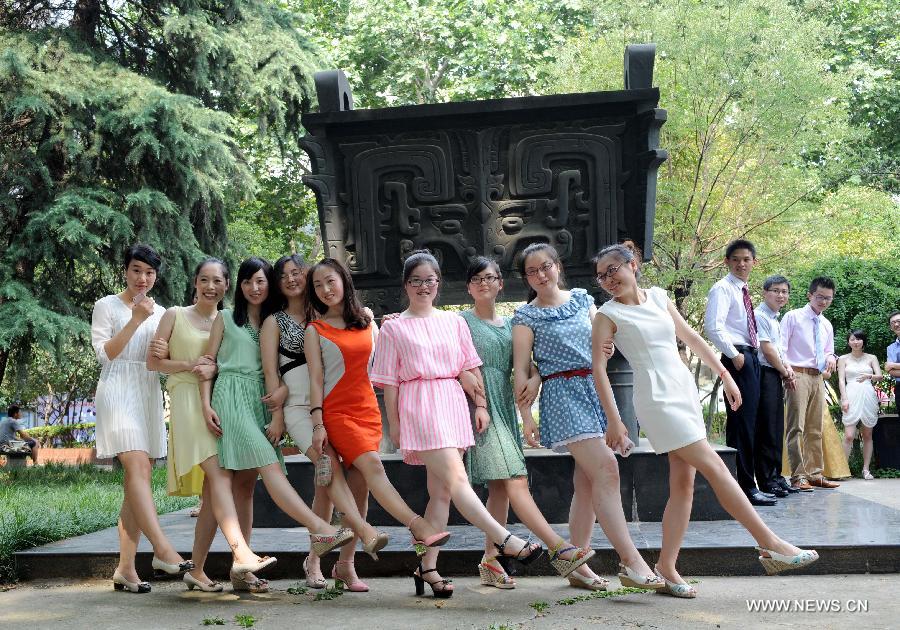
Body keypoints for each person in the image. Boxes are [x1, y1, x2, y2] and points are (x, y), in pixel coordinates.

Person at [592, 244, 818, 595]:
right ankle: (770, 542)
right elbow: (599, 370)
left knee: (683, 485)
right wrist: (614, 420)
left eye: (613, 269)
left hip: (682, 390)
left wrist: (725, 376)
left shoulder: (658, 297)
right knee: (715, 465)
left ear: (632, 265)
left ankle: (666, 568)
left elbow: (692, 338)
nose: (608, 279)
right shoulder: (607, 315)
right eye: (602, 275)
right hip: (656, 398)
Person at [371, 251, 543, 599]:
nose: (423, 286)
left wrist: (480, 405)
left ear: (439, 284)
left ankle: (427, 567)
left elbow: (470, 364)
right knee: (457, 478)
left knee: (442, 493)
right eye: (416, 280)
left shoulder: (454, 323)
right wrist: (396, 425)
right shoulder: (394, 327)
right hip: (419, 404)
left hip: (452, 403)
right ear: (406, 285)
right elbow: (388, 382)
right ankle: (505, 540)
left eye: (429, 279)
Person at [511, 243, 663, 591]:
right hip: (563, 396)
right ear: (526, 278)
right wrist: (526, 416)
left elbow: (604, 339)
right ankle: (631, 560)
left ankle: (575, 564)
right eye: (532, 271)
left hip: (595, 388)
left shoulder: (582, 299)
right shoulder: (526, 317)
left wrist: (606, 347)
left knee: (588, 482)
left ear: (558, 266)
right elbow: (521, 370)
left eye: (545, 266)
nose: (541, 275)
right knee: (607, 467)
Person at [199, 257, 354, 592]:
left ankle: (240, 571)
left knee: (246, 489)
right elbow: (208, 364)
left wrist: (280, 395)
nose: (255, 288)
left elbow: (278, 369)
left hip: (261, 401)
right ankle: (320, 528)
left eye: (261, 281)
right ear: (238, 286)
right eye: (247, 282)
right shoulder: (226, 318)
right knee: (270, 466)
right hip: (231, 398)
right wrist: (204, 404)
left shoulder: (271, 321)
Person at [457, 257, 598, 591]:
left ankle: (491, 560)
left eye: (490, 278)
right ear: (468, 287)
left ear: (501, 283)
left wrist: (534, 380)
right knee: (516, 481)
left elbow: (529, 364)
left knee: (499, 488)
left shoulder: (511, 324)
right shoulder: (459, 322)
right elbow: (442, 349)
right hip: (479, 408)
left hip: (506, 405)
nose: (483, 284)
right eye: (476, 279)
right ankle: (560, 549)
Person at [148, 258, 276, 592]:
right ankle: (242, 553)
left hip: (219, 404)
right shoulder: (175, 315)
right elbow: (154, 362)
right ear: (195, 282)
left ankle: (199, 569)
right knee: (219, 476)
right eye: (204, 280)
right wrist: (193, 365)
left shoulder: (228, 320)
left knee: (212, 491)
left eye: (217, 281)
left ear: (226, 286)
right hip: (189, 404)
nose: (210, 287)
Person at [261, 254, 388, 593]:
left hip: (337, 407)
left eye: (298, 272)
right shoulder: (275, 320)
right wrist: (278, 413)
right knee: (327, 468)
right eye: (284, 275)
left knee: (342, 485)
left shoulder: (329, 312)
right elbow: (273, 372)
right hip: (301, 410)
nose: (292, 279)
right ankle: (352, 538)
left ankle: (343, 565)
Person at [91, 244, 193, 594]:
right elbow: (105, 355)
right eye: (136, 270)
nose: (142, 279)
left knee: (139, 481)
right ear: (125, 271)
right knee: (138, 470)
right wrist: (135, 319)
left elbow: (160, 359)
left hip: (148, 393)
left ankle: (125, 569)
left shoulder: (162, 311)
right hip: (117, 389)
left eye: (149, 273)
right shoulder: (106, 305)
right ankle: (163, 549)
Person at [703, 240, 771, 506]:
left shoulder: (742, 290)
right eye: (736, 259)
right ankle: (744, 488)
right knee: (742, 424)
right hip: (739, 358)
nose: (741, 264)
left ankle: (747, 484)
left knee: (750, 423)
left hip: (750, 357)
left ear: (754, 261)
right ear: (727, 262)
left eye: (746, 259)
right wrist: (736, 355)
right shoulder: (722, 289)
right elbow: (713, 327)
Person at [781, 277, 840, 491]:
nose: (824, 302)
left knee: (815, 428)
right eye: (820, 297)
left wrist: (832, 356)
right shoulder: (792, 317)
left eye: (828, 298)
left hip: (818, 377)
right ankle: (798, 476)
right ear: (810, 295)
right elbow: (782, 348)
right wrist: (786, 373)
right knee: (796, 427)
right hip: (796, 374)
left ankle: (815, 474)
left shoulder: (826, 324)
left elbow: (828, 350)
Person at [753, 276, 797, 498]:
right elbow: (768, 351)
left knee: (776, 428)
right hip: (764, 374)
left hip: (775, 373)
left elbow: (779, 350)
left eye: (785, 292)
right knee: (767, 428)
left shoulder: (775, 319)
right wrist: (783, 371)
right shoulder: (760, 316)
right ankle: (767, 480)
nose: (781, 295)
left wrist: (787, 370)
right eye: (776, 291)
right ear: (765, 292)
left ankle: (777, 476)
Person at [838, 330, 882, 480]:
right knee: (849, 436)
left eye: (858, 339)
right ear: (848, 342)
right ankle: (842, 469)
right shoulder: (843, 359)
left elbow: (880, 376)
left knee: (867, 434)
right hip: (851, 394)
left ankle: (866, 469)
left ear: (863, 341)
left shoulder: (872, 357)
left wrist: (869, 376)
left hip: (868, 394)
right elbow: (840, 380)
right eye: (852, 339)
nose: (856, 342)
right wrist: (844, 398)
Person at [886, 312, 900, 411]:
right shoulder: (890, 348)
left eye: (899, 321)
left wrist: (893, 365)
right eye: (893, 323)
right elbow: (890, 371)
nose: (896, 324)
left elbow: (891, 366)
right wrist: (891, 367)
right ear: (891, 327)